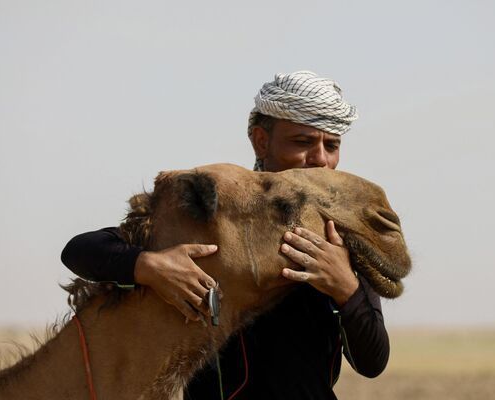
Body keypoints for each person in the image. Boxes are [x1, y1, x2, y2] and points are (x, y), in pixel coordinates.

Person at [61, 71, 389, 399]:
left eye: (331, 145)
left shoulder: (340, 235)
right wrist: (151, 266)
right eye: (302, 142)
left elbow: (372, 363)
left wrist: (346, 287)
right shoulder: (222, 212)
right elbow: (80, 250)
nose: (320, 159)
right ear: (261, 140)